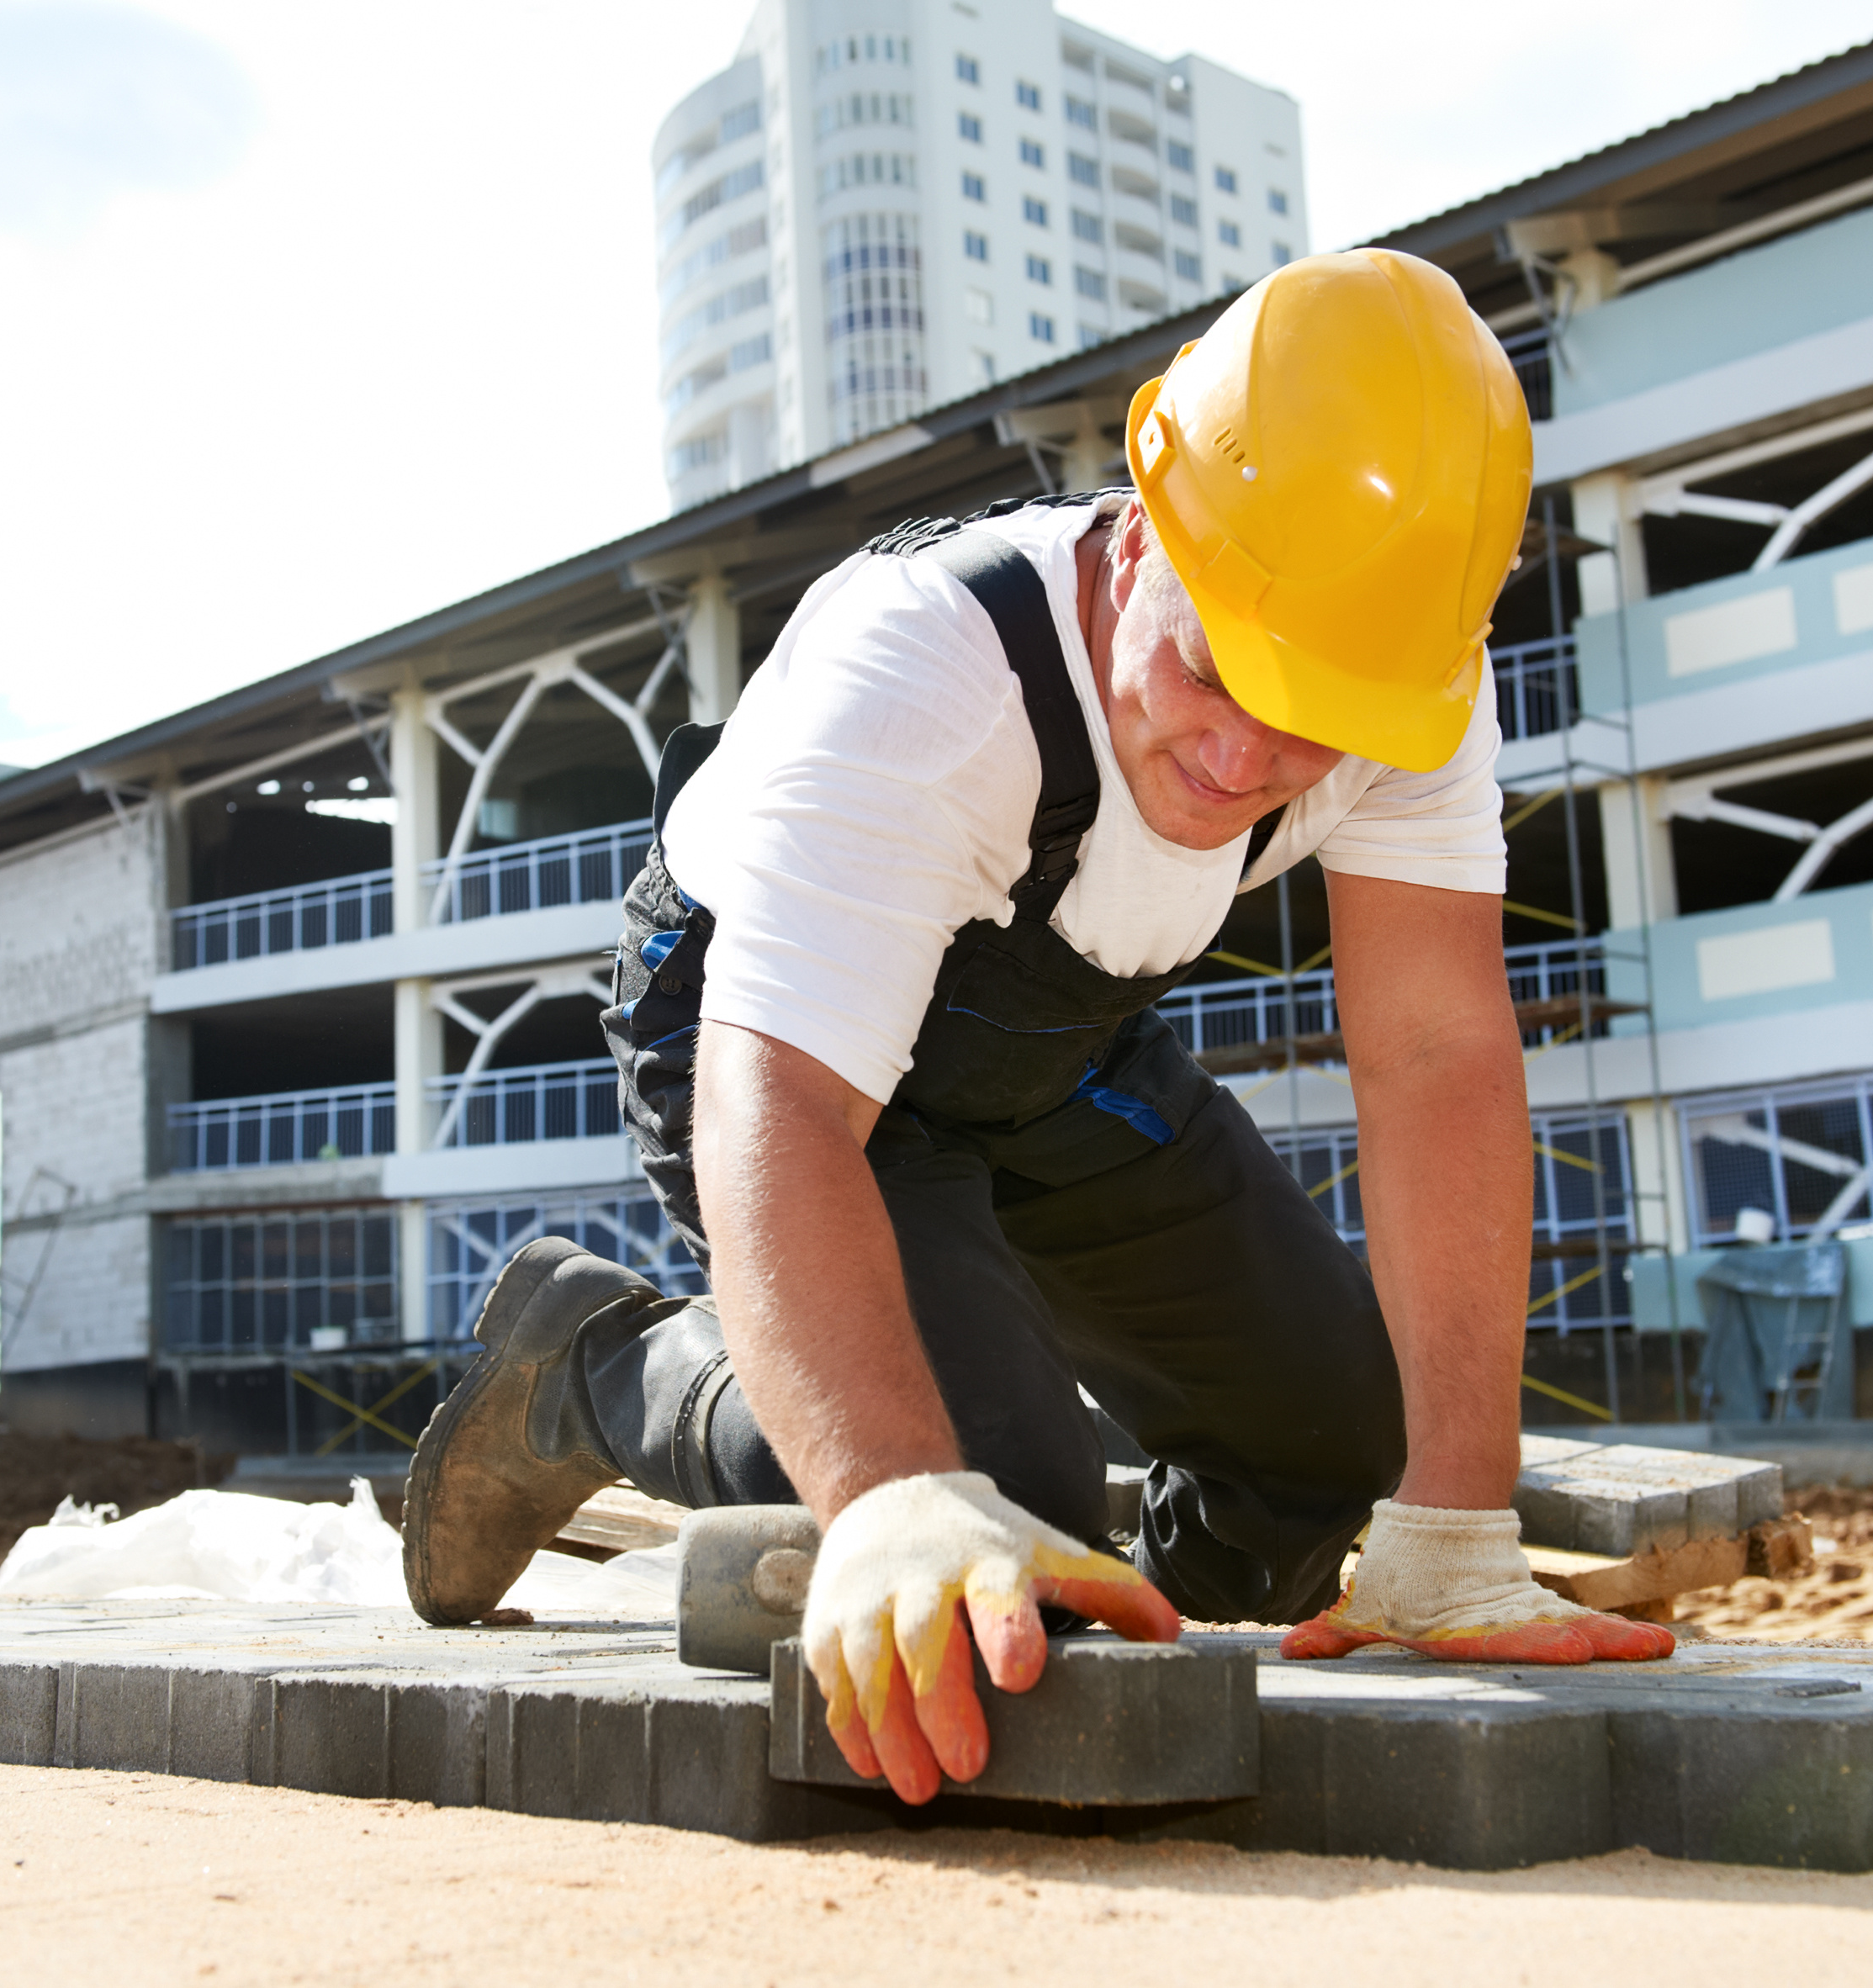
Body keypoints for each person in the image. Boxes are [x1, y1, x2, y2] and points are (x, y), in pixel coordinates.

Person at [399, 248, 1670, 1806]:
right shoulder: (928, 678)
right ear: (1141, 539)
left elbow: (1436, 1057)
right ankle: (595, 1368)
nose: (1248, 753)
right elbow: (779, 1105)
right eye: (1217, 669)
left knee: (1336, 1442)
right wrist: (887, 1501)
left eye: (1312, 721)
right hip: (762, 1036)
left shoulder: (1393, 673)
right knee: (979, 1512)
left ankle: (1096, 1605)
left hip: (1055, 1053)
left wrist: (1454, 1535)